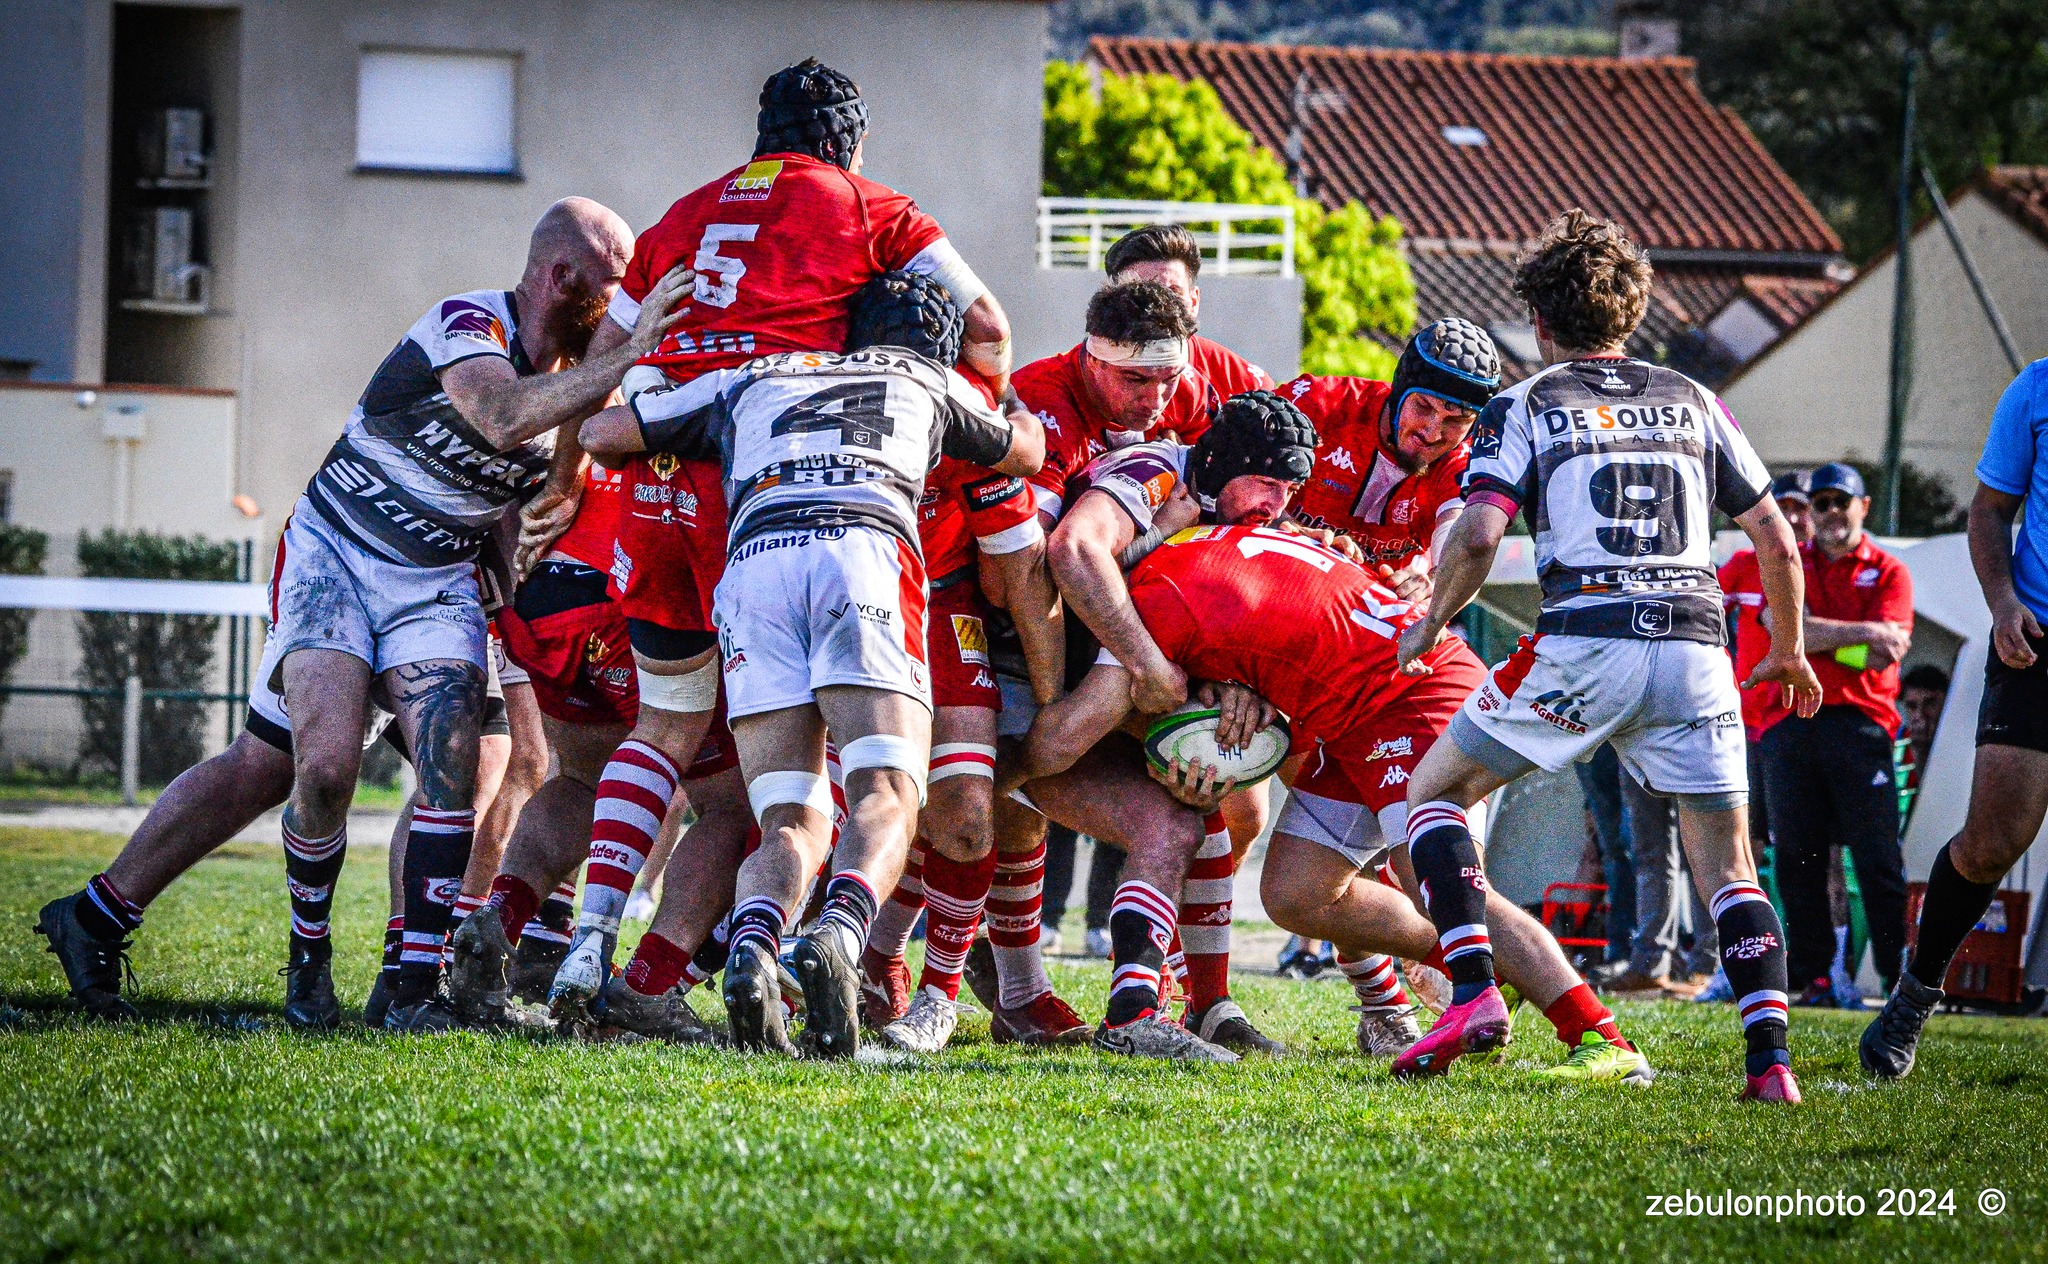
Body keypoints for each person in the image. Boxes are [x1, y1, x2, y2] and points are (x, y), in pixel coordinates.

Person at [36, 198, 685, 1033]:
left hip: (435, 579)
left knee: (474, 760)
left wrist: (525, 545)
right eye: (612, 286)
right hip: (336, 555)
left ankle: (411, 981)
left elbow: (522, 483)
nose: (622, 301)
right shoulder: (465, 325)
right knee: (305, 766)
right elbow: (500, 416)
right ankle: (139, 925)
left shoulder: (573, 385)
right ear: (563, 279)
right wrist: (630, 353)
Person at [1394, 209, 1822, 1102]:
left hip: (1587, 637)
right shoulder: (1697, 400)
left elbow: (1476, 533)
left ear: (1541, 326)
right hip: (1698, 647)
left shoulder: (1525, 403)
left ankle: (1472, 993)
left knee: (1433, 793)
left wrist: (1432, 623)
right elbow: (1777, 539)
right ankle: (1772, 1064)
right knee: (1730, 867)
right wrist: (1788, 651)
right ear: (1637, 310)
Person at [579, 271, 1043, 1057]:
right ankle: (839, 934)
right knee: (887, 792)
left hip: (756, 565)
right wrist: (1008, 394)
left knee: (790, 816)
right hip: (861, 551)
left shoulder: (756, 375)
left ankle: (756, 946)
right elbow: (1025, 450)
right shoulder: (926, 376)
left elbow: (602, 435)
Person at [1863, 356, 2048, 1078]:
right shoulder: (2033, 388)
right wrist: (2003, 605)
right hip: (2034, 642)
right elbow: (1989, 510)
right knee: (1991, 844)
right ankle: (1914, 995)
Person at [1757, 462, 1913, 1005]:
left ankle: (1900, 979)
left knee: (1877, 860)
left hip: (1861, 726)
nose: (1828, 514)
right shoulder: (1792, 563)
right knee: (1798, 859)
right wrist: (1858, 635)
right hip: (1792, 720)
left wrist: (1810, 636)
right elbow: (1776, 628)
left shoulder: (1889, 569)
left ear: (1862, 507)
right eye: (1819, 504)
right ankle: (1813, 976)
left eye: (1838, 502)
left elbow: (1889, 650)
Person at [1103, 224, 1273, 398]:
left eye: (1172, 292)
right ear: (1114, 303)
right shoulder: (1084, 377)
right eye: (1141, 293)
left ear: (1193, 301)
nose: (1159, 304)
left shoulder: (1244, 385)